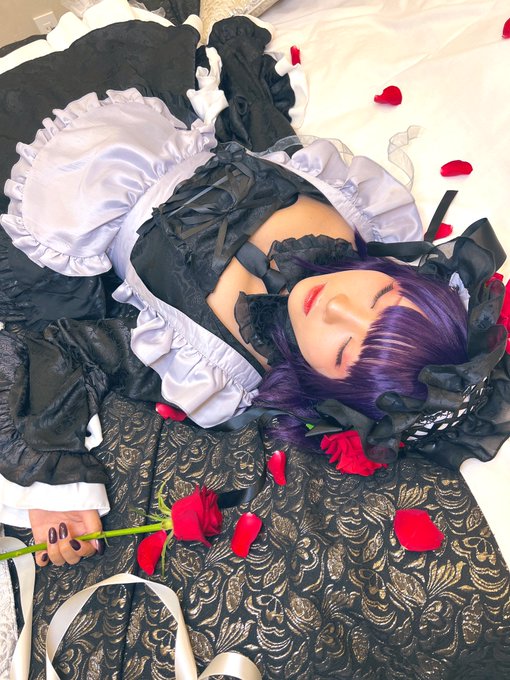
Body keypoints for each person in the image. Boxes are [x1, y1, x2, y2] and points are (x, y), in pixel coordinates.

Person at [0, 22, 508, 569]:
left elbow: (75, 350)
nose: (335, 304)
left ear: (324, 391)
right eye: (381, 294)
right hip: (149, 110)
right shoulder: (361, 215)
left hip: (61, 186)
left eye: (342, 349)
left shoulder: (214, 366)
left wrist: (55, 482)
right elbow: (265, 147)